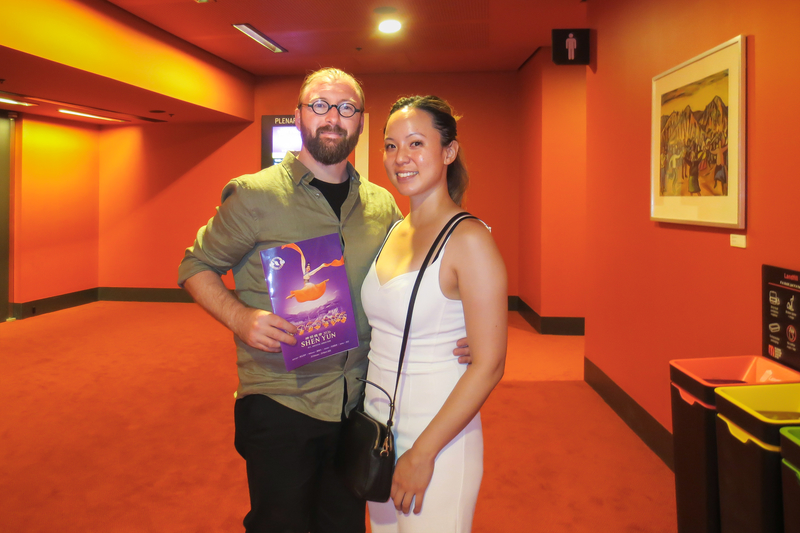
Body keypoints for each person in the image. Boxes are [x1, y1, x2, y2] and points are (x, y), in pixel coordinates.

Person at [178, 68, 470, 533]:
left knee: (344, 525)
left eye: (346, 108)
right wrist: (240, 316)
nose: (332, 117)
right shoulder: (254, 196)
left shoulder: (382, 205)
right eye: (319, 105)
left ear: (360, 123)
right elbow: (195, 266)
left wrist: (460, 330)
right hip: (281, 401)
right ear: (298, 117)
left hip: (359, 405)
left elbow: (406, 286)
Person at [362, 95, 507, 532]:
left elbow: (489, 364)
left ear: (448, 152)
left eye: (416, 143)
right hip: (377, 431)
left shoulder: (469, 239)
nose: (400, 158)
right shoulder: (393, 229)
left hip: (438, 435)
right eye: (390, 146)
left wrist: (423, 453)